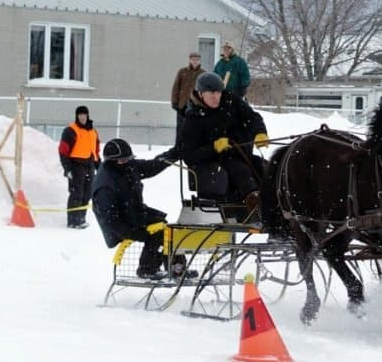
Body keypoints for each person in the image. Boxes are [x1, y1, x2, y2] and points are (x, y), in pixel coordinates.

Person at [176, 72, 269, 220]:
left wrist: (260, 133)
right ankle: (255, 204)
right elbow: (188, 154)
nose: (216, 97)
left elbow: (252, 118)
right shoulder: (192, 119)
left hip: (242, 155)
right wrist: (213, 147)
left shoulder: (232, 101)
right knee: (241, 172)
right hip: (214, 162)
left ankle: (275, 203)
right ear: (200, 94)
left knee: (266, 168)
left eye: (218, 92)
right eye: (211, 93)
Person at [91, 139, 176, 279]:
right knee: (158, 232)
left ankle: (176, 267)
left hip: (133, 212)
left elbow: (151, 166)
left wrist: (173, 154)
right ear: (111, 161)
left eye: (128, 159)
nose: (126, 162)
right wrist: (131, 233)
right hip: (121, 225)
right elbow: (109, 219)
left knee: (168, 228)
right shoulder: (105, 185)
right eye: (122, 160)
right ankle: (147, 269)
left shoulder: (128, 166)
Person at [58, 105, 100, 229]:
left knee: (87, 194)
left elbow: (96, 151)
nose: (82, 117)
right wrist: (67, 168)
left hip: (90, 165)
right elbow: (63, 151)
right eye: (80, 114)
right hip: (76, 166)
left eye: (84, 114)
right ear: (77, 116)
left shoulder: (93, 132)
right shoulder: (70, 131)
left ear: (87, 115)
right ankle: (73, 221)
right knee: (76, 194)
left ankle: (81, 218)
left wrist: (99, 166)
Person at [170, 51, 204, 141]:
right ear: (190, 60)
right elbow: (176, 87)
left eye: (197, 59)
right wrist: (174, 102)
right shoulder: (182, 72)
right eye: (193, 59)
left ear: (199, 61)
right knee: (180, 129)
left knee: (193, 129)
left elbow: (205, 91)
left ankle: (190, 149)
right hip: (182, 105)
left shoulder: (203, 74)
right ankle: (178, 149)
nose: (195, 61)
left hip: (195, 106)